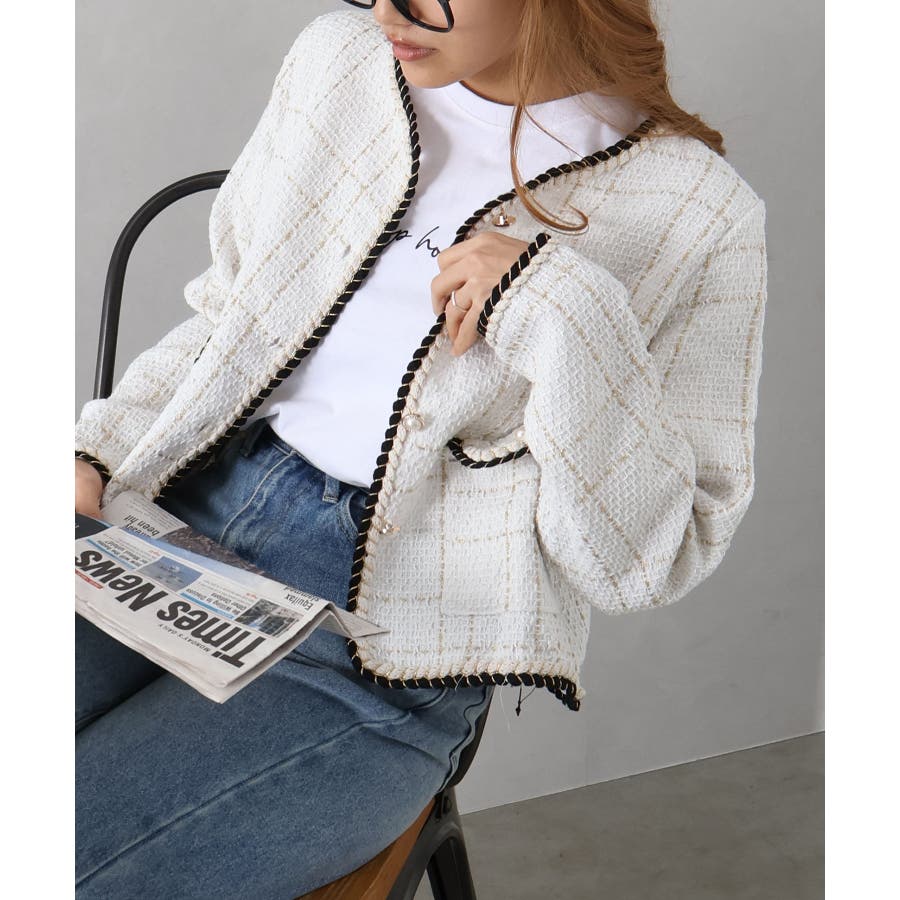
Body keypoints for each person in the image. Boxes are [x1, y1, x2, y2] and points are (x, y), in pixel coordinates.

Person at [74, 1, 769, 897]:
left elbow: (646, 561)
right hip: (170, 527)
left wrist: (563, 311)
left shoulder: (698, 212)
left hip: (382, 651)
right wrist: (99, 449)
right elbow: (231, 313)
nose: (388, 12)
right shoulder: (339, 63)